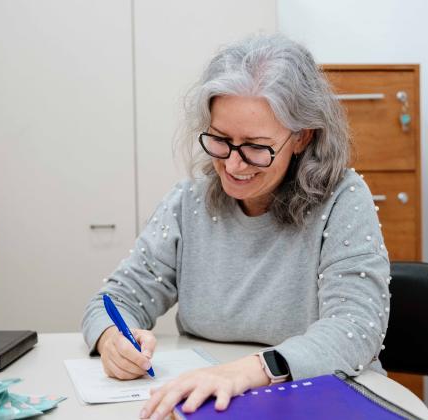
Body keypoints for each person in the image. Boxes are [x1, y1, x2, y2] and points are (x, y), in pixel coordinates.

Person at [81, 33, 391, 420]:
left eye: (256, 146)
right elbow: (114, 300)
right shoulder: (188, 202)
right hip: (211, 405)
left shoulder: (343, 198)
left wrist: (250, 371)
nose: (233, 165)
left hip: (319, 399)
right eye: (221, 140)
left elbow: (355, 330)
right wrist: (113, 339)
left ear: (301, 138)